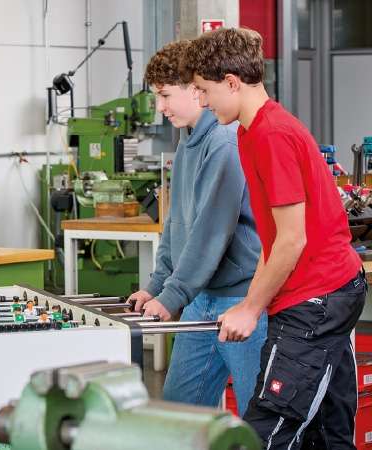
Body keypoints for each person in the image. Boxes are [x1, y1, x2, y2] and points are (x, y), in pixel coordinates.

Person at [183, 27, 366, 449]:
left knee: (269, 427)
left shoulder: (271, 135)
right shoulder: (251, 131)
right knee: (326, 427)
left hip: (318, 296)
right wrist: (254, 300)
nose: (203, 102)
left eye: (204, 90)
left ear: (232, 82)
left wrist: (249, 309)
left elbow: (292, 240)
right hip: (332, 286)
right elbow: (274, 239)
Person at [127, 39, 265, 417]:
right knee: (179, 413)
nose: (160, 107)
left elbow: (210, 234)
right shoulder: (187, 144)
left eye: (165, 94)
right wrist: (157, 286)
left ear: (195, 87)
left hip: (241, 301)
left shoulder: (223, 142)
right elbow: (176, 224)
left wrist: (171, 297)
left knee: (261, 420)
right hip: (202, 298)